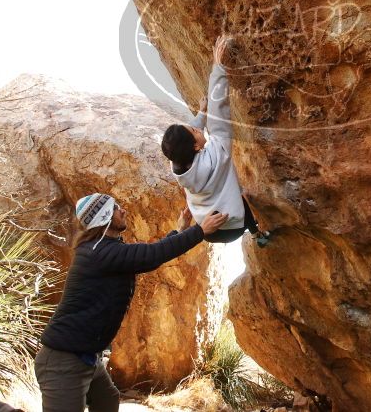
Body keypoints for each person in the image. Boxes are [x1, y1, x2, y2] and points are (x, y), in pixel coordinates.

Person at [34, 192, 228, 412]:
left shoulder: (103, 249)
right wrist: (200, 231)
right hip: (63, 362)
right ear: (105, 216)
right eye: (116, 207)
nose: (123, 210)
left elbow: (147, 254)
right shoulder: (98, 252)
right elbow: (151, 255)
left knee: (107, 401)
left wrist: (179, 230)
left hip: (87, 357)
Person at [161, 35, 270, 246]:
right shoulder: (217, 154)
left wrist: (201, 114)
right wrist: (218, 68)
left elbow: (189, 136)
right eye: (194, 129)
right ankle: (258, 236)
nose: (196, 126)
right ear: (195, 146)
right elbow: (219, 113)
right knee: (239, 198)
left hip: (206, 229)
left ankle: (255, 233)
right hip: (232, 226)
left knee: (234, 194)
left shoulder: (179, 166)